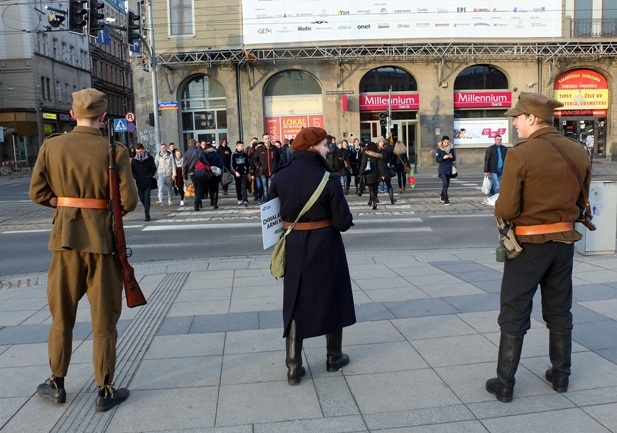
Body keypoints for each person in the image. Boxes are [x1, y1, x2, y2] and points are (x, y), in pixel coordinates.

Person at [29, 88, 138, 412]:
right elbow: (129, 202)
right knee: (104, 321)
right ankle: (104, 389)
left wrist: (61, 202)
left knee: (62, 317)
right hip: (103, 245)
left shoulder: (52, 146)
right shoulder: (113, 150)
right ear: (104, 117)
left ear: (73, 115)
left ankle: (56, 382)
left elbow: (37, 192)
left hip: (64, 243)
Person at [486, 92, 591, 403]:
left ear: (532, 118)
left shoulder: (522, 154)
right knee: (559, 309)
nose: (514, 123)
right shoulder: (578, 150)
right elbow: (580, 199)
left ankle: (505, 384)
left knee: (514, 311)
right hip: (564, 242)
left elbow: (505, 209)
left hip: (528, 246)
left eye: (517, 118)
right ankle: (561, 376)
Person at [269, 126, 355, 386]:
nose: (329, 148)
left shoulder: (279, 176)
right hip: (325, 245)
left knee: (294, 301)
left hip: (293, 245)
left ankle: (293, 366)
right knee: (332, 296)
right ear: (312, 147)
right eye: (325, 144)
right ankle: (333, 357)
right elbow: (341, 222)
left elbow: (271, 218)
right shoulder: (328, 178)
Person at [131, 142, 157, 221]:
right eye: (137, 151)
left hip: (147, 182)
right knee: (141, 198)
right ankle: (146, 207)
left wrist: (149, 176)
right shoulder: (134, 160)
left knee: (147, 198)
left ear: (143, 150)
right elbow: (132, 170)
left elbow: (153, 168)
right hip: (139, 182)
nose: (139, 153)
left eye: (140, 151)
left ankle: (147, 215)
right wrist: (135, 177)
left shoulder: (149, 158)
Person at [183, 138, 210, 211]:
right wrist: (208, 168)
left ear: (189, 144)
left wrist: (185, 175)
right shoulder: (199, 151)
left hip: (191, 172)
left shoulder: (186, 153)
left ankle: (198, 202)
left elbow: (185, 165)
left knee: (196, 187)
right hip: (199, 170)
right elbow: (204, 161)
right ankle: (196, 203)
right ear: (195, 144)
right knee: (199, 187)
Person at [253, 133, 279, 203]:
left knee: (274, 187)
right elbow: (255, 159)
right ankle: (266, 202)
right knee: (265, 188)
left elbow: (279, 158)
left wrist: (277, 167)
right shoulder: (260, 149)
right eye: (265, 139)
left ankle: (274, 201)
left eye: (268, 138)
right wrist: (258, 166)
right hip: (263, 171)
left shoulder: (274, 148)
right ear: (263, 140)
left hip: (273, 170)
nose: (267, 140)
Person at [359, 142, 383, 210]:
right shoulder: (378, 155)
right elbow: (380, 166)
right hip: (376, 173)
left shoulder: (366, 154)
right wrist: (382, 174)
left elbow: (363, 164)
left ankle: (374, 202)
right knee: (375, 189)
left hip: (368, 173)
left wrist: (361, 172)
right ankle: (371, 201)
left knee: (371, 189)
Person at [435, 135, 455, 206]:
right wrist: (443, 157)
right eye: (445, 142)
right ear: (442, 142)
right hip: (442, 169)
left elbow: (454, 158)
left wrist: (451, 157)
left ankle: (442, 195)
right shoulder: (439, 149)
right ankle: (446, 199)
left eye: (448, 143)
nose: (446, 144)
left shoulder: (451, 148)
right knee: (445, 183)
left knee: (447, 185)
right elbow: (437, 160)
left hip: (449, 168)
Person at [203, 142, 224, 209]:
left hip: (208, 173)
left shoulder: (204, 155)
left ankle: (212, 201)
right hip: (216, 173)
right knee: (216, 189)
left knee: (210, 188)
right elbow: (220, 163)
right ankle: (215, 203)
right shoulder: (216, 154)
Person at [377, 137, 396, 204]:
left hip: (386, 169)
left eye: (383, 142)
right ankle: (375, 198)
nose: (382, 143)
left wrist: (389, 163)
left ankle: (392, 198)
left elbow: (389, 158)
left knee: (389, 184)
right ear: (378, 143)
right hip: (379, 170)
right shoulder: (376, 151)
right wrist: (382, 174)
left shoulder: (386, 150)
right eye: (381, 142)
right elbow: (378, 162)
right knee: (376, 185)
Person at [231, 140, 249, 206]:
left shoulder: (245, 154)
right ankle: (239, 198)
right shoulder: (234, 154)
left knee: (244, 186)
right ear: (237, 146)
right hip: (237, 173)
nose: (242, 147)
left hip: (244, 172)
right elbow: (231, 164)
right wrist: (235, 172)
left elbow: (247, 163)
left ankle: (245, 200)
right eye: (241, 146)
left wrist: (247, 171)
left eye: (243, 145)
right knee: (238, 186)